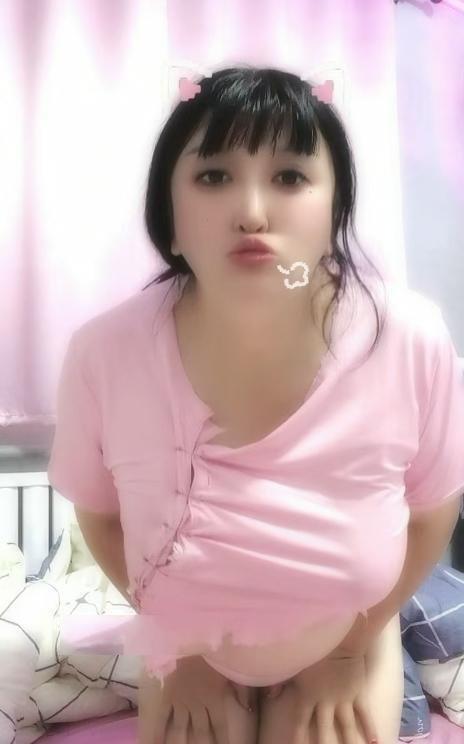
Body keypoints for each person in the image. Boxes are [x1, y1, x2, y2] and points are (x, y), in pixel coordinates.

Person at [48, 66, 464, 744]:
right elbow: (100, 516)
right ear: (169, 215)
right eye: (213, 176)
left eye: (290, 177)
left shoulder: (408, 337)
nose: (251, 212)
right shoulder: (105, 351)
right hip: (188, 648)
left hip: (347, 635)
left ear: (335, 209)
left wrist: (349, 649)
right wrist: (178, 642)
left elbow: (431, 512)